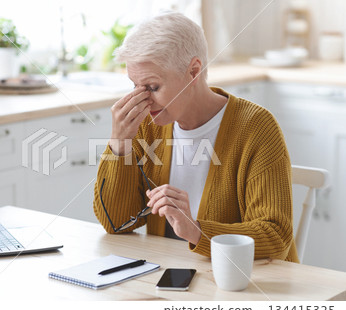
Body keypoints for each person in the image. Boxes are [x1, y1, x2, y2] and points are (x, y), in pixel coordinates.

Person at [93, 12, 299, 262]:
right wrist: (119, 144)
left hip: (246, 285)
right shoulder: (148, 126)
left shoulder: (256, 127)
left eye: (152, 87)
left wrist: (197, 231)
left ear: (193, 71)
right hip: (173, 277)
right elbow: (117, 224)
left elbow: (275, 236)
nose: (143, 101)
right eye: (134, 86)